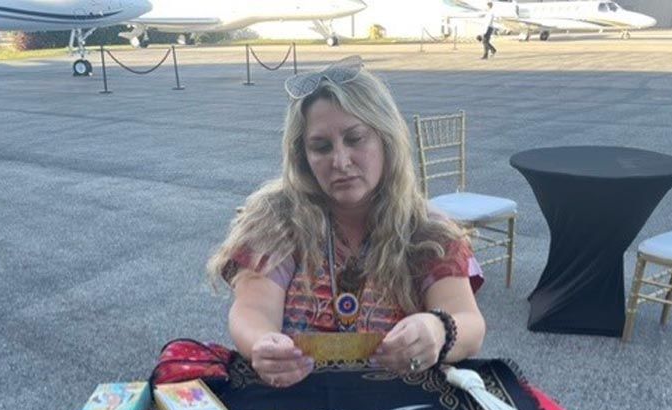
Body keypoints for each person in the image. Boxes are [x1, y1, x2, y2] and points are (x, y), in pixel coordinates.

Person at [207, 56, 486, 388]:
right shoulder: (275, 220)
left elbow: (469, 322)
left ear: (386, 139)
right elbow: (252, 310)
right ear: (303, 157)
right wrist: (261, 344)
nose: (340, 161)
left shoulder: (426, 229)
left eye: (355, 139)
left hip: (400, 409)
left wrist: (437, 330)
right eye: (321, 147)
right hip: (296, 406)